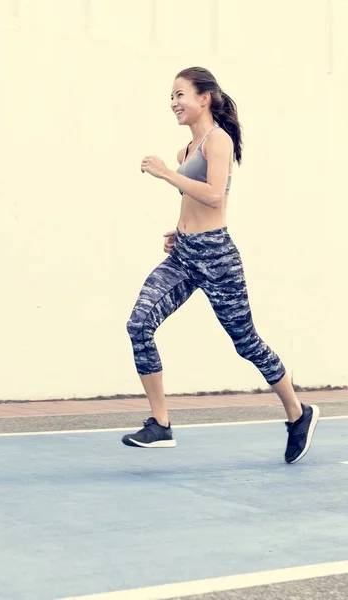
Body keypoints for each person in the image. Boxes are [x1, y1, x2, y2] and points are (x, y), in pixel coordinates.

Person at [123, 67, 319, 464]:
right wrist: (179, 232)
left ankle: (298, 413)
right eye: (171, 97)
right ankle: (160, 424)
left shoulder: (219, 141)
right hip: (184, 256)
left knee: (246, 342)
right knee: (139, 323)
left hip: (216, 258)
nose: (174, 103)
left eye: (180, 94)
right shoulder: (186, 152)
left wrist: (164, 173)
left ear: (204, 98)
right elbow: (193, 204)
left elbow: (214, 197)